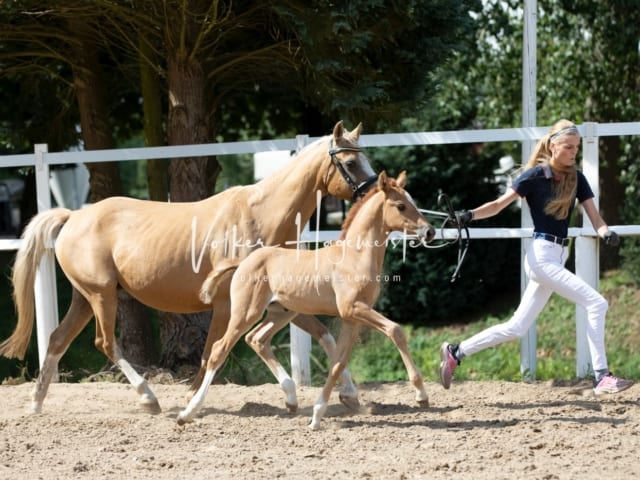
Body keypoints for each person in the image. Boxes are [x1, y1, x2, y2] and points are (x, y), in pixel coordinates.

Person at [439, 119, 634, 395]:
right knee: (597, 303)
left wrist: (606, 233)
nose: (573, 152)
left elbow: (596, 218)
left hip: (557, 256)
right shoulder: (533, 177)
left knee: (517, 327)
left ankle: (456, 352)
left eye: (576, 147)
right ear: (553, 145)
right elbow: (497, 206)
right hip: (541, 256)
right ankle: (601, 375)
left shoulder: (577, 179)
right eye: (568, 146)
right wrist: (468, 215)